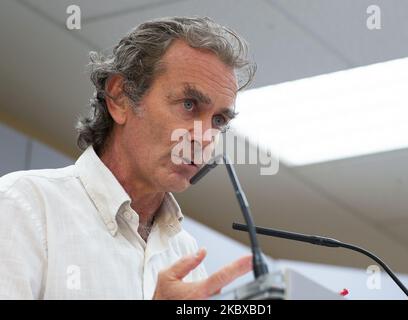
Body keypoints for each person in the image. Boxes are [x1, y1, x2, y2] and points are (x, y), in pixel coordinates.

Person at [0, 16, 256, 299]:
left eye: (219, 120)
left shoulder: (187, 256)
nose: (206, 136)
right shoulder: (23, 205)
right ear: (120, 97)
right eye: (189, 104)